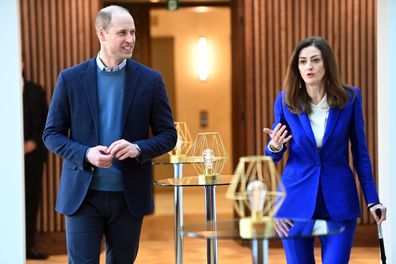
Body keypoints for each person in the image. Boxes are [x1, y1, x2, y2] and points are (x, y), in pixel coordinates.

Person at [43, 5, 177, 263]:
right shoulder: (71, 79)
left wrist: (138, 148)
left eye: (133, 32)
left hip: (128, 198)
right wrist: (85, 154)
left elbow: (168, 135)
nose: (131, 39)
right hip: (83, 196)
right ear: (102, 34)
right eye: (123, 33)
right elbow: (51, 134)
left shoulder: (150, 80)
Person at [263, 36, 387, 263]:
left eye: (315, 60)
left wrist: (372, 200)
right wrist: (274, 146)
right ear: (297, 67)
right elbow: (272, 154)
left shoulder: (350, 98)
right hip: (294, 202)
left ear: (326, 64)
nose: (308, 66)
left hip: (339, 200)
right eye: (302, 61)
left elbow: (360, 153)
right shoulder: (285, 100)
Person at [23, 66, 48, 260]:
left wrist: (33, 142)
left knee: (31, 201)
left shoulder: (36, 91)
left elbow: (48, 125)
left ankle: (28, 246)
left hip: (32, 157)